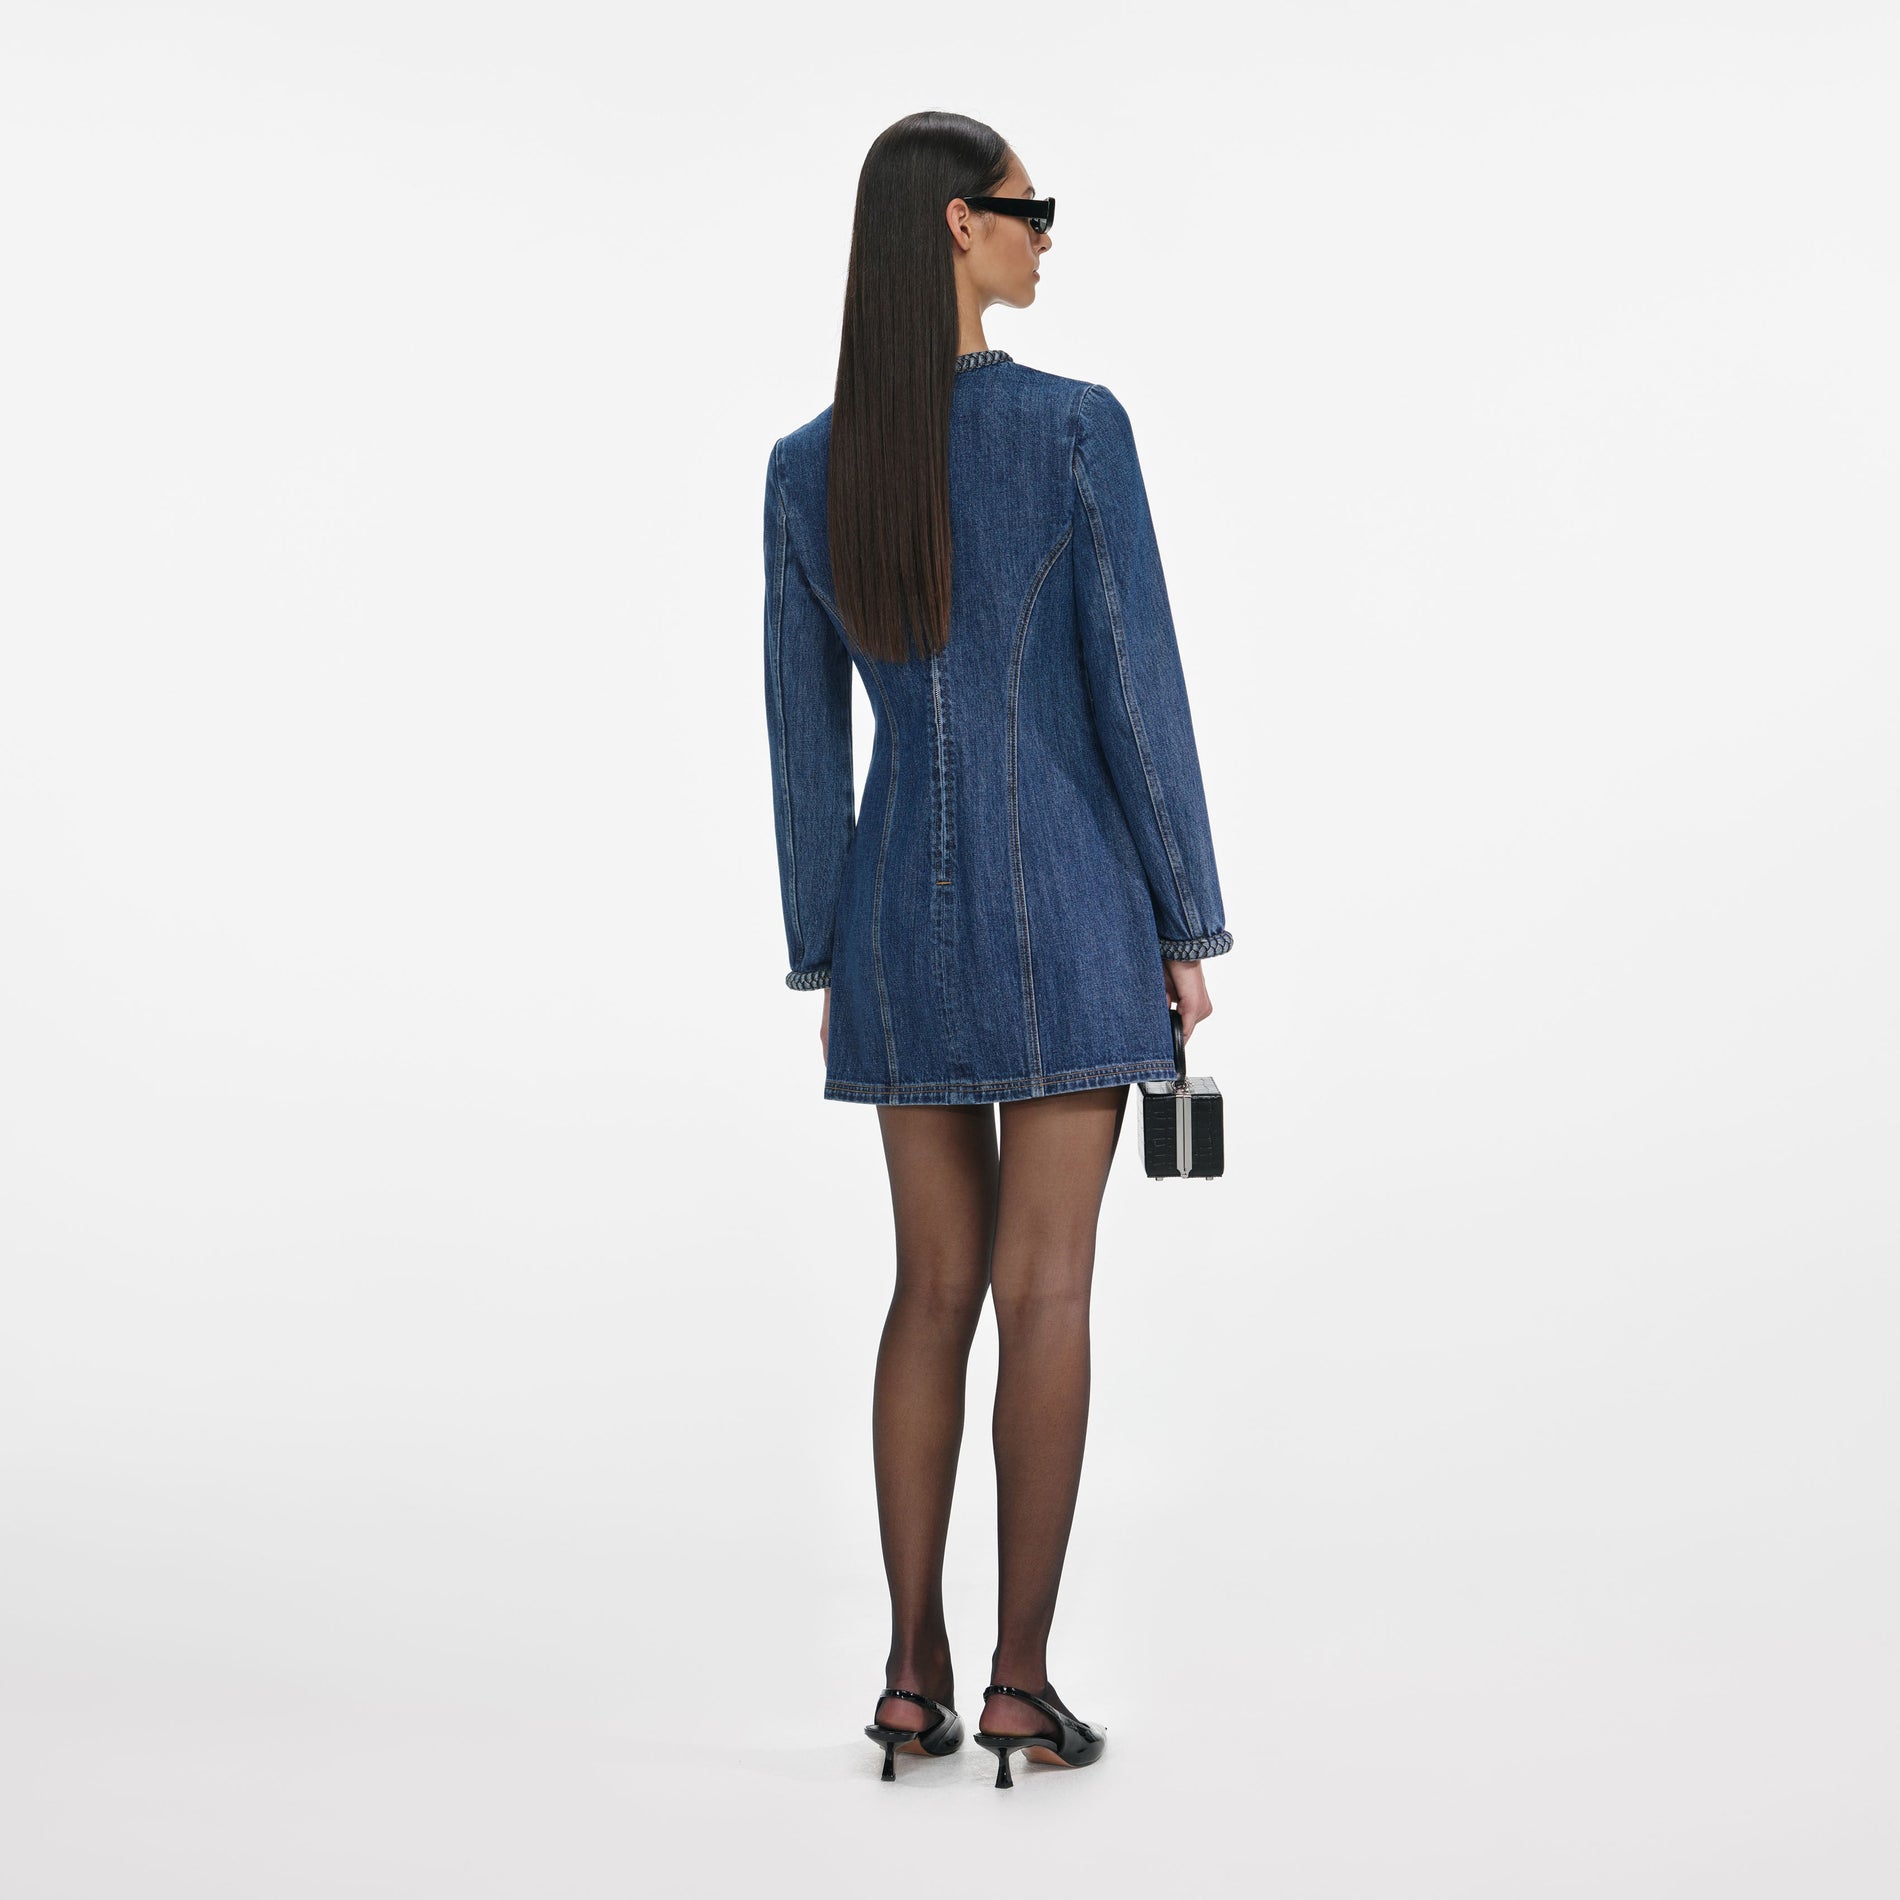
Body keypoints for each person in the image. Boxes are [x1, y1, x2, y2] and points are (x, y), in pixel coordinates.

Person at [761, 111, 1234, 1789]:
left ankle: (911, 1680)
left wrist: (828, 950)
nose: (1048, 234)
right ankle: (1021, 1686)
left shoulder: (810, 465)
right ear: (961, 227)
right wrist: (1185, 924)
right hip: (1075, 903)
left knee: (930, 1290)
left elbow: (805, 742)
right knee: (1048, 1291)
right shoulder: (1076, 430)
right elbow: (1136, 693)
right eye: (1031, 208)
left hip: (898, 916)